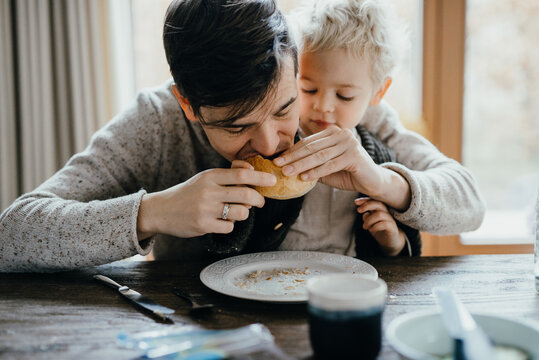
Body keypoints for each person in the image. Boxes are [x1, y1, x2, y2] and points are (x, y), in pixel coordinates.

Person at [0, 0, 484, 273]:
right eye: (237, 127)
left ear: (297, 68)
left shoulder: (341, 116)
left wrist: (385, 183)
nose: (273, 144)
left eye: (284, 108)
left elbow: (469, 202)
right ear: (188, 105)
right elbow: (13, 234)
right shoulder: (156, 121)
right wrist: (154, 212)